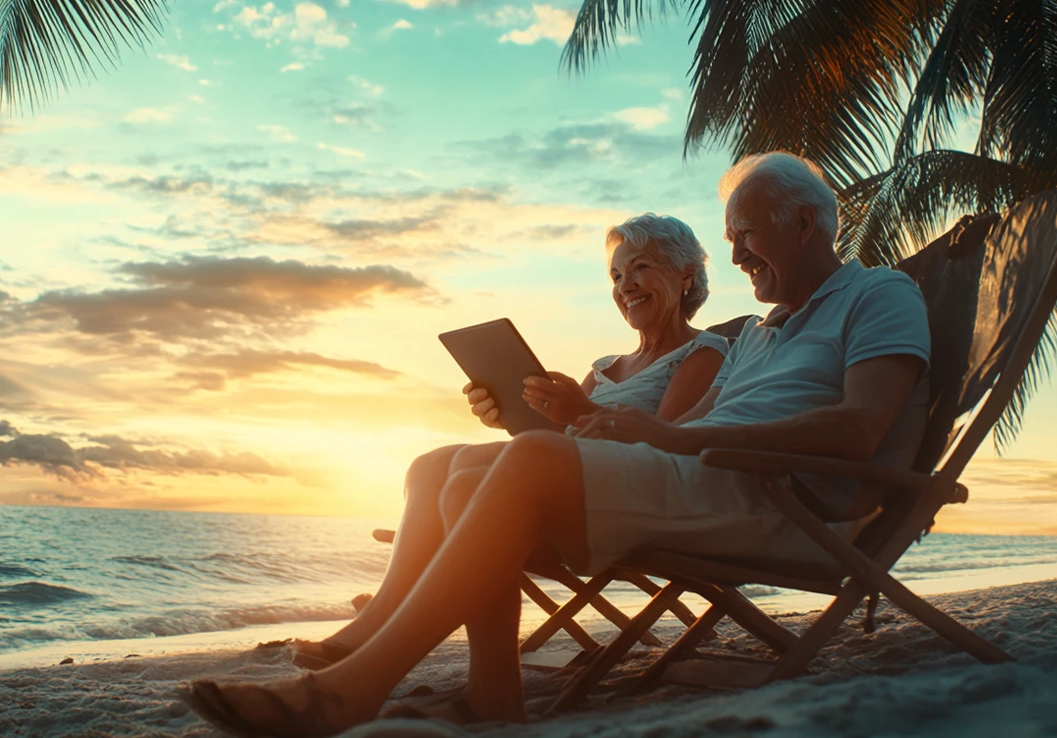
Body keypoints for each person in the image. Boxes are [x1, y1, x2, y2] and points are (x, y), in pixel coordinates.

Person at [181, 152, 931, 737]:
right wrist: (643, 431)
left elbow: (858, 428)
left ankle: (352, 688)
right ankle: (491, 694)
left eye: (747, 235)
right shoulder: (760, 334)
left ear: (806, 224)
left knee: (526, 459)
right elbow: (688, 427)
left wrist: (664, 433)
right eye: (732, 238)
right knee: (469, 462)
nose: (736, 255)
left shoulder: (878, 294)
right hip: (719, 481)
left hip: (787, 502)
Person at [286, 213, 728, 670]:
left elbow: (668, 447)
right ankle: (383, 616)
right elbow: (562, 442)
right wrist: (514, 415)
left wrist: (578, 412)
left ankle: (383, 630)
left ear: (685, 274)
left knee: (462, 481)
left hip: (629, 503)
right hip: (570, 484)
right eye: (616, 275)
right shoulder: (604, 367)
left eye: (641, 268)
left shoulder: (705, 351)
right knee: (431, 464)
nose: (625, 285)